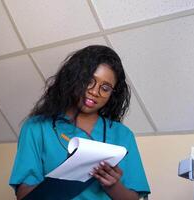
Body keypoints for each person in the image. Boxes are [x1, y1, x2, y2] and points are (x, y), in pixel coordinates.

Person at [9, 45, 150, 200]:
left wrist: (113, 186)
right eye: (89, 81)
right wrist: (63, 179)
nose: (95, 92)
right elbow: (23, 195)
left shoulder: (122, 135)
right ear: (73, 77)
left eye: (105, 88)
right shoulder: (37, 128)